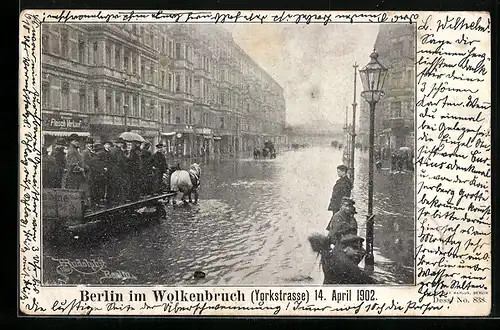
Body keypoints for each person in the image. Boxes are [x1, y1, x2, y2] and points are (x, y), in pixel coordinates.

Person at [108, 138, 128, 205]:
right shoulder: (119, 151)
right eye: (121, 143)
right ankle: (118, 200)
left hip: (111, 170)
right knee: (119, 185)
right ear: (118, 144)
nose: (122, 144)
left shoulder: (111, 150)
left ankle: (112, 200)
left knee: (112, 185)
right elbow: (120, 161)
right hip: (118, 170)